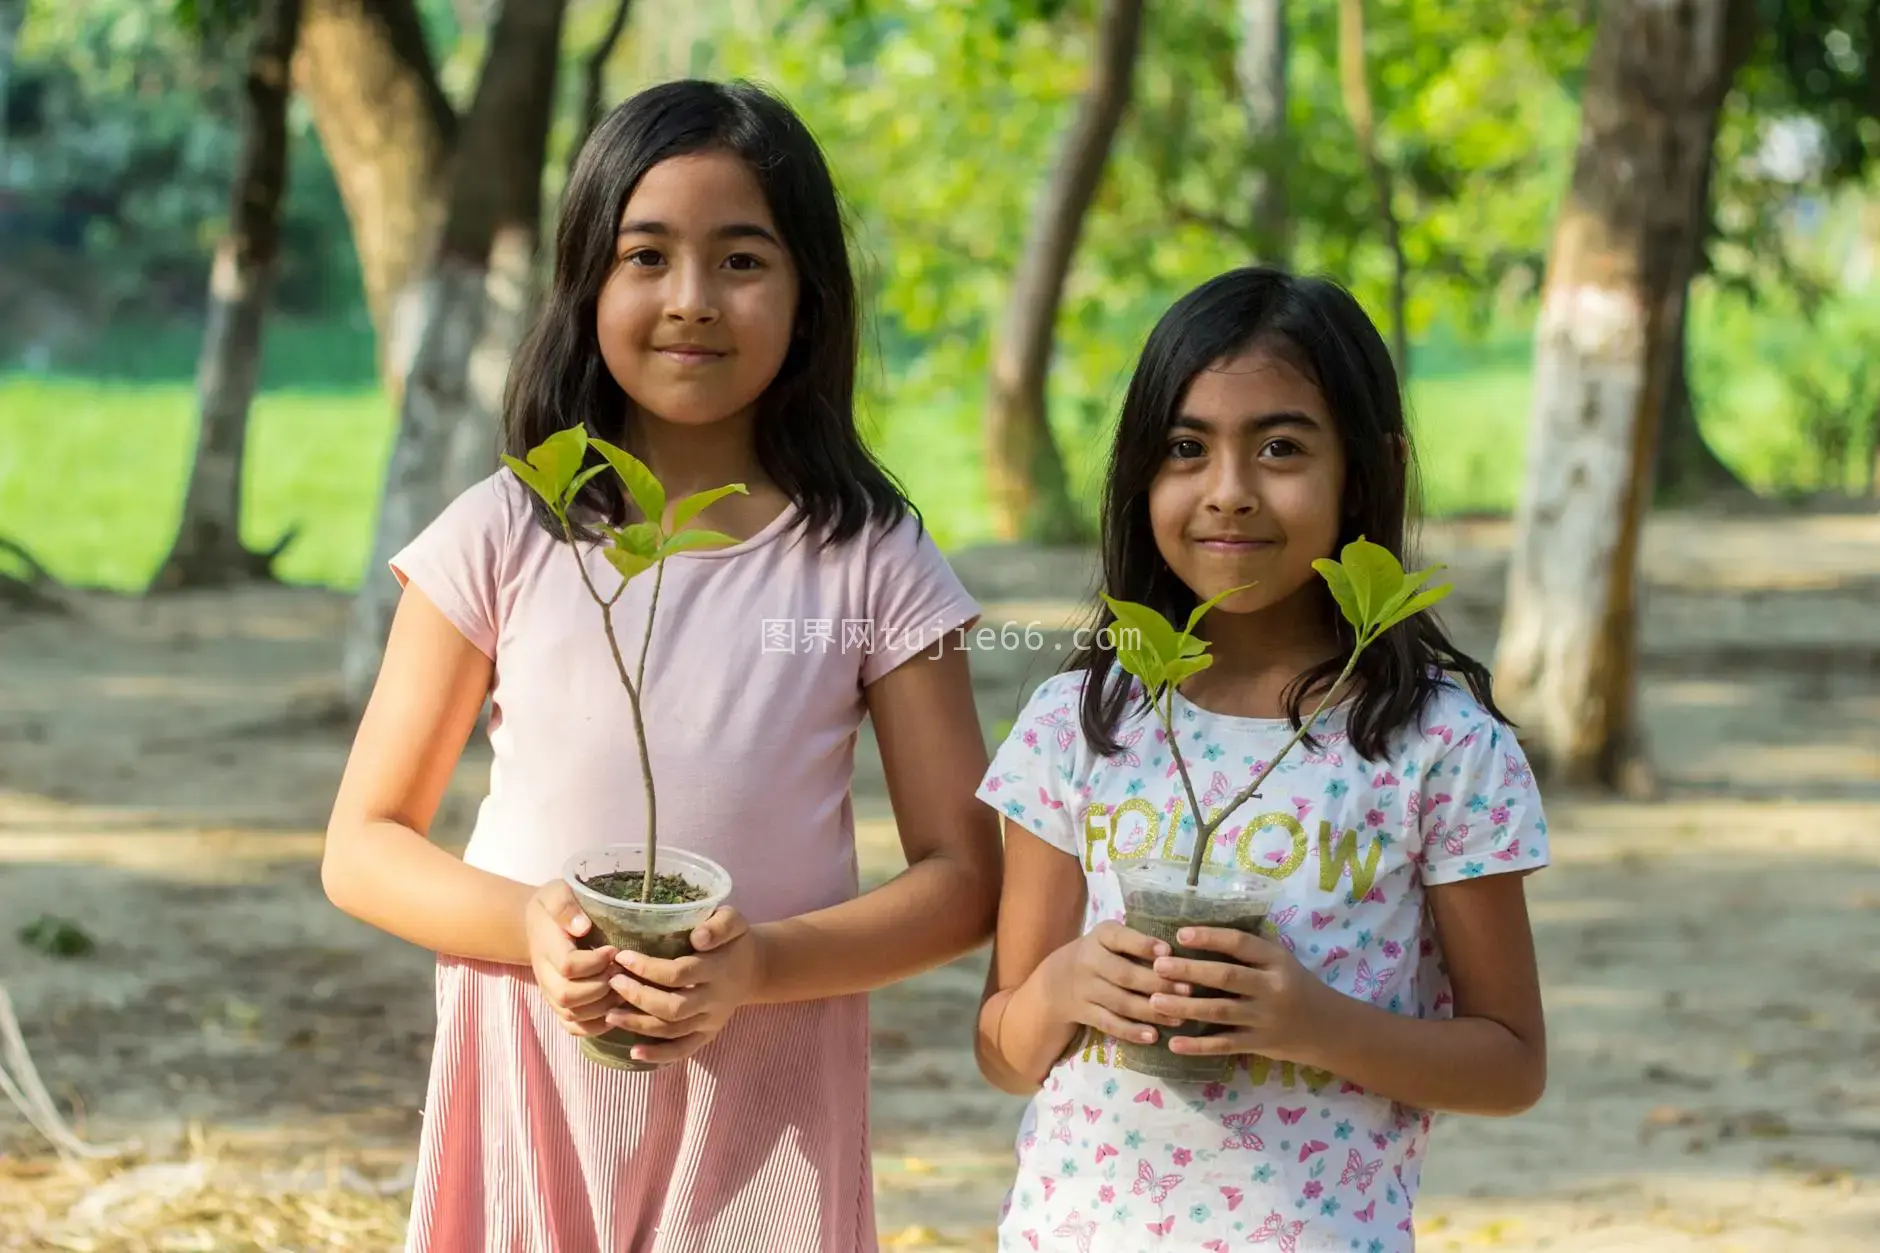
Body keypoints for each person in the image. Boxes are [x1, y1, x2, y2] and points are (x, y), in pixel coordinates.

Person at [322, 79, 1002, 1253]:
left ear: (809, 294)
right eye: (645, 256)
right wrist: (531, 925)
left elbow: (964, 874)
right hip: (530, 1053)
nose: (691, 302)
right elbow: (363, 843)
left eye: (741, 260)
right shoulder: (505, 530)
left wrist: (761, 966)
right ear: (587, 281)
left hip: (769, 1076)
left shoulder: (867, 556)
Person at [972, 267, 1548, 1252]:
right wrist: (1065, 985)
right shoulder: (1079, 721)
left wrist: (1312, 1020)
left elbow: (1509, 1062)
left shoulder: (1437, 746)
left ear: (1366, 470)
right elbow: (1003, 1048)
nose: (1228, 493)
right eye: (1184, 449)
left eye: (1279, 447)